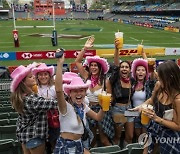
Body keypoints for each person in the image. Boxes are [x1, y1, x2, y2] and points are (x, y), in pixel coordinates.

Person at [54, 50, 105, 154]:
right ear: (70, 93)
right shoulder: (65, 107)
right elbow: (58, 90)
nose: (78, 93)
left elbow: (98, 117)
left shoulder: (83, 106)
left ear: (85, 92)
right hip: (66, 146)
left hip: (79, 143)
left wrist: (104, 107)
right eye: (75, 91)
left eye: (81, 90)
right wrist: (60, 64)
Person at [132, 60, 180, 154]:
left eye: (161, 76)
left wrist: (157, 118)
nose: (158, 78)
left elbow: (178, 126)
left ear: (170, 78)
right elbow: (152, 100)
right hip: (154, 128)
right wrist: (141, 106)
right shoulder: (159, 85)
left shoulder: (177, 99)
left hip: (170, 135)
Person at [75, 36, 113, 147]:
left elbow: (111, 97)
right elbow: (77, 62)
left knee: (104, 139)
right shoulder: (86, 76)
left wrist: (107, 102)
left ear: (100, 67)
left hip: (101, 110)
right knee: (91, 138)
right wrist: (85, 48)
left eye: (95, 65)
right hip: (88, 110)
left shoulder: (105, 81)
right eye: (91, 65)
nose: (93, 67)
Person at [10, 64, 57, 154]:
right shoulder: (31, 100)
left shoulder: (21, 96)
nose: (34, 78)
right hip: (34, 137)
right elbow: (55, 103)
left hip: (24, 135)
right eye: (30, 77)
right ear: (23, 82)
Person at [106, 38, 134, 146]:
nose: (124, 69)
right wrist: (116, 49)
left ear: (130, 70)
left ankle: (128, 150)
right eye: (122, 67)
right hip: (118, 109)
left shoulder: (132, 80)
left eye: (126, 67)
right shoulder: (117, 79)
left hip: (130, 109)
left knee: (130, 136)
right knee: (117, 136)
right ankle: (117, 150)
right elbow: (117, 63)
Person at [32, 63, 60, 154]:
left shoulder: (54, 87)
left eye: (45, 74)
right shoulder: (34, 88)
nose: (43, 77)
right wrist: (34, 65)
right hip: (39, 121)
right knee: (42, 144)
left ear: (49, 75)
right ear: (37, 76)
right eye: (40, 74)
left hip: (53, 119)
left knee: (55, 141)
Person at [131, 58, 156, 139]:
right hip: (135, 113)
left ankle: (145, 151)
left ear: (146, 73)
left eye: (143, 70)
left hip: (146, 113)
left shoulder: (148, 84)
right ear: (135, 72)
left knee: (145, 136)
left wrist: (151, 69)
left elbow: (152, 78)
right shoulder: (132, 84)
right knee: (137, 135)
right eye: (138, 70)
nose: (141, 72)